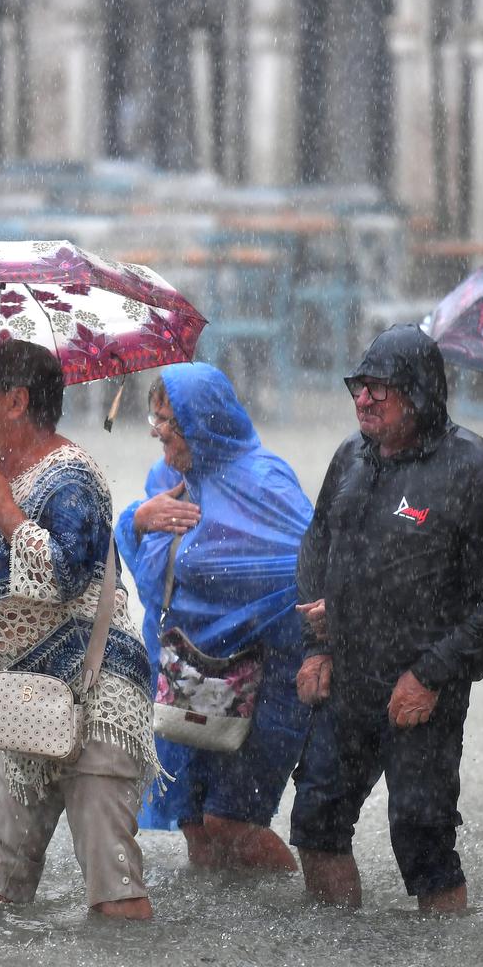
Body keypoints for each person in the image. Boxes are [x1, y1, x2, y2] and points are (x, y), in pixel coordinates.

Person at [290, 323, 483, 913]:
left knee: (422, 838)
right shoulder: (351, 458)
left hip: (422, 689)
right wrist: (316, 647)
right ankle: (337, 956)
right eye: (359, 385)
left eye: (381, 387)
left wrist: (433, 674)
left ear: (421, 393)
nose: (364, 398)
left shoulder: (473, 470)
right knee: (317, 820)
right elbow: (315, 547)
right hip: (347, 676)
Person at [0, 340, 161, 920]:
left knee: (112, 889)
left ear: (14, 402)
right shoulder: (8, 476)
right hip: (29, 706)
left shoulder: (73, 479)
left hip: (95, 702)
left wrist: (3, 510)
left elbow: (64, 576)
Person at [115, 363, 335, 871]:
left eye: (170, 420)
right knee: (193, 822)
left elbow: (306, 571)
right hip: (187, 672)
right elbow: (154, 587)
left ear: (205, 420)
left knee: (231, 822)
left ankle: (288, 918)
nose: (159, 431)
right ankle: (214, 934)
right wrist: (138, 520)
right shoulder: (167, 480)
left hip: (268, 675)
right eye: (156, 418)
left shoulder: (264, 480)